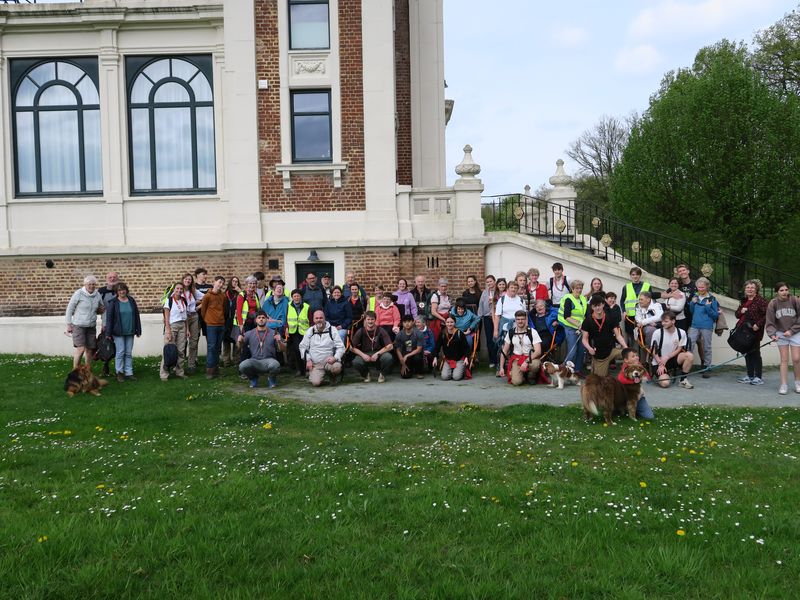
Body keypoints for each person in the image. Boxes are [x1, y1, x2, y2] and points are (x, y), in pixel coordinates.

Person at [765, 282, 800, 395]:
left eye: (786, 290)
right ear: (777, 292)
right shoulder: (773, 303)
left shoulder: (795, 300)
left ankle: (798, 383)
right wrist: (772, 334)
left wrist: (792, 330)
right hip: (781, 334)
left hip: (795, 333)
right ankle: (783, 385)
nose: (784, 292)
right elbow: (770, 322)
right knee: (784, 360)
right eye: (781, 290)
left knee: (796, 359)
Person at [581, 294, 627, 377]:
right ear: (592, 307)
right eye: (595, 306)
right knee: (599, 379)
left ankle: (630, 376)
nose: (597, 308)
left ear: (603, 304)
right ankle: (600, 370)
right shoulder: (588, 321)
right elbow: (584, 339)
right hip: (599, 354)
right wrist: (589, 348)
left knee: (631, 355)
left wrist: (626, 347)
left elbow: (618, 335)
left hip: (612, 350)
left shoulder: (611, 317)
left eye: (599, 305)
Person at [104, 282, 142, 382]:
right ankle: (119, 373)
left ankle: (129, 372)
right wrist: (108, 333)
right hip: (118, 332)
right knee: (120, 352)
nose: (122, 291)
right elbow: (109, 319)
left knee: (128, 353)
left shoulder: (131, 300)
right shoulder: (113, 302)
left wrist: (138, 329)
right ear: (117, 292)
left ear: (126, 290)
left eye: (123, 289)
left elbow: (136, 315)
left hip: (130, 330)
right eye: (119, 290)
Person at [65, 275, 104, 370]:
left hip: (91, 325)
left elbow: (100, 308)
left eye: (93, 284)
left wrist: (101, 310)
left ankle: (88, 370)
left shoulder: (97, 295)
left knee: (89, 349)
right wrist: (69, 324)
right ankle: (75, 370)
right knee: (81, 349)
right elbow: (70, 309)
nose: (91, 286)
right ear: (85, 284)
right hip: (79, 325)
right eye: (89, 284)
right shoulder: (78, 293)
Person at [238, 311, 285, 388]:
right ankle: (253, 378)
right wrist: (239, 341)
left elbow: (284, 349)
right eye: (259, 318)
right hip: (254, 361)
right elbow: (239, 348)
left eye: (263, 318)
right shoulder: (249, 333)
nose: (261, 319)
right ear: (256, 320)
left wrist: (279, 341)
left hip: (269, 360)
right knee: (242, 366)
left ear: (266, 319)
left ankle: (271, 378)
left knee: (276, 365)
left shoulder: (274, 333)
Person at [735, 279, 768, 385]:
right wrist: (741, 311)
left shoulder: (760, 301)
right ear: (745, 289)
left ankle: (758, 377)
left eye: (752, 287)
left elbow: (767, 314)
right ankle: (749, 376)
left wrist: (758, 324)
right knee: (747, 354)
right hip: (744, 331)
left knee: (755, 354)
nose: (750, 289)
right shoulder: (744, 300)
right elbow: (737, 314)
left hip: (754, 331)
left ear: (756, 289)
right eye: (748, 287)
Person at [299, 310, 345, 386]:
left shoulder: (332, 330)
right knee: (316, 383)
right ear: (313, 320)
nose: (319, 320)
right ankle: (318, 376)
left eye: (321, 318)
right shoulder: (310, 331)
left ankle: (332, 376)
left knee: (337, 368)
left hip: (330, 363)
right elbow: (302, 347)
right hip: (316, 364)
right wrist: (308, 359)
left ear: (324, 318)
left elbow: (341, 347)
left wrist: (335, 357)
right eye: (316, 318)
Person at [650, 311, 694, 389]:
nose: (663, 323)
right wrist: (661, 364)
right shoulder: (657, 332)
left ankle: (683, 380)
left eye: (666, 321)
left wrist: (667, 357)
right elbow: (653, 351)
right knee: (665, 383)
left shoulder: (681, 332)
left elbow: (679, 348)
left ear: (673, 321)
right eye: (662, 321)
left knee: (689, 355)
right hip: (658, 360)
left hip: (671, 358)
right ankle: (661, 375)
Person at [498, 310, 542, 385]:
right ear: (515, 320)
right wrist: (501, 368)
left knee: (535, 365)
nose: (520, 321)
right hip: (517, 359)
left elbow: (538, 351)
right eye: (518, 319)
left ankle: (531, 376)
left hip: (530, 358)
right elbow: (504, 351)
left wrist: (526, 362)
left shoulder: (532, 332)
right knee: (516, 382)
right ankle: (522, 375)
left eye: (522, 319)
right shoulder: (511, 332)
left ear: (526, 319)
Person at [687, 277, 719, 378]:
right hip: (694, 325)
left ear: (707, 287)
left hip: (707, 326)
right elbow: (692, 311)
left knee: (707, 347)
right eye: (699, 287)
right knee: (689, 345)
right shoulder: (695, 296)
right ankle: (686, 367)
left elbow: (715, 315)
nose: (700, 289)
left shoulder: (712, 299)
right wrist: (692, 303)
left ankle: (707, 368)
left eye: (702, 287)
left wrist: (708, 307)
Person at [350, 311, 394, 383]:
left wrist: (378, 354)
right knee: (356, 362)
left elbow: (390, 346)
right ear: (365, 320)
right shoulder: (361, 331)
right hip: (365, 353)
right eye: (368, 319)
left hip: (378, 353)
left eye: (372, 319)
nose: (370, 321)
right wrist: (363, 355)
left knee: (388, 357)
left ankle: (382, 374)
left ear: (375, 320)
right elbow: (351, 347)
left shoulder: (380, 330)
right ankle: (366, 374)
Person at [493, 281, 526, 372]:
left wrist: (525, 328)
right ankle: (500, 368)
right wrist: (496, 330)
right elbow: (497, 315)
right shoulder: (502, 299)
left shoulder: (521, 300)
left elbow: (525, 316)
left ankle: (512, 368)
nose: (513, 289)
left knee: (516, 347)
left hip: (518, 327)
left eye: (515, 288)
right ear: (507, 288)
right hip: (504, 327)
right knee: (503, 348)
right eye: (511, 287)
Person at [199, 275, 227, 379]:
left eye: (222, 283)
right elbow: (203, 310)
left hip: (221, 324)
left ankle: (216, 369)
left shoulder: (223, 296)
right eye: (219, 282)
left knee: (218, 348)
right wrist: (208, 319)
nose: (221, 285)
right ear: (214, 282)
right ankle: (210, 371)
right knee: (211, 347)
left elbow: (224, 309)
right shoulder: (207, 296)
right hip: (211, 325)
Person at [558, 279, 587, 375]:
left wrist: (583, 326)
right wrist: (578, 325)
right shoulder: (568, 299)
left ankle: (577, 371)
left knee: (581, 350)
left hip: (581, 328)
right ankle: (566, 371)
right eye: (577, 288)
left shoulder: (583, 299)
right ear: (572, 289)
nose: (579, 290)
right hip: (570, 327)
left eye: (580, 288)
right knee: (572, 350)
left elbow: (585, 314)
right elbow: (567, 316)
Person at [160, 282, 188, 381]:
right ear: (174, 289)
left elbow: (185, 317)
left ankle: (179, 372)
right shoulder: (169, 300)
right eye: (177, 288)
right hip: (172, 326)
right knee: (168, 350)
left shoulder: (184, 300)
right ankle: (164, 374)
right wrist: (168, 330)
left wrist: (187, 329)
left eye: (181, 289)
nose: (179, 290)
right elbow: (166, 317)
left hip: (182, 326)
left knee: (181, 351)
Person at [620, 267, 653, 347]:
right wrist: (624, 311)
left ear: (640, 275)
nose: (635, 276)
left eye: (637, 274)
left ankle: (643, 355)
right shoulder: (626, 287)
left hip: (643, 316)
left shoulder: (647, 286)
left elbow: (651, 301)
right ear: (630, 276)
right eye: (633, 275)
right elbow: (622, 300)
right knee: (631, 336)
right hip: (630, 317)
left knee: (643, 336)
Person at [619, 348, 655, 420]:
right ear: (626, 360)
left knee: (649, 416)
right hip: (626, 396)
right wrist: (635, 382)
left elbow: (647, 377)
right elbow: (621, 379)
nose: (636, 357)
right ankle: (622, 408)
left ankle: (635, 409)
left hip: (639, 396)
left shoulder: (639, 366)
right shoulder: (625, 368)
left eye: (637, 355)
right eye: (633, 356)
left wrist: (643, 378)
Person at [433, 315, 471, 381]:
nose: (449, 324)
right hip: (448, 360)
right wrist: (435, 358)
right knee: (444, 377)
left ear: (455, 323)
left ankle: (460, 369)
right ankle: (453, 370)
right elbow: (437, 347)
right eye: (447, 322)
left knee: (456, 377)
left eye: (451, 322)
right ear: (445, 323)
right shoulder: (442, 334)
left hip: (459, 359)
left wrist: (466, 358)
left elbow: (466, 347)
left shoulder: (459, 333)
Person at [97, 271, 120, 376]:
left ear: (117, 278)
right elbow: (100, 308)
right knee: (107, 346)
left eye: (114, 277)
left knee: (119, 346)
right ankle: (105, 366)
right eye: (110, 277)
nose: (112, 279)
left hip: (120, 323)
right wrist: (103, 323)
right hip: (107, 323)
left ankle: (119, 369)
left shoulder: (122, 290)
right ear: (107, 279)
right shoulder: (101, 291)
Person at [286, 289, 311, 377]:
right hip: (293, 332)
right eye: (294, 296)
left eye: (298, 296)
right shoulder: (288, 305)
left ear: (301, 297)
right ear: (292, 297)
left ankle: (307, 369)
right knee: (296, 350)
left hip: (305, 332)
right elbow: (285, 318)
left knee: (306, 351)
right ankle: (299, 369)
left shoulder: (306, 306)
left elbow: (310, 320)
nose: (296, 298)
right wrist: (286, 328)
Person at [394, 314, 426, 379]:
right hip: (405, 356)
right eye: (405, 322)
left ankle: (419, 372)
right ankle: (410, 369)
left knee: (418, 357)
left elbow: (419, 349)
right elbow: (398, 349)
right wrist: (402, 362)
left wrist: (407, 356)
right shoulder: (399, 335)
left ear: (413, 322)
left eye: (409, 321)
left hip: (415, 355)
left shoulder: (418, 333)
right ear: (402, 323)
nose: (407, 324)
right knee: (405, 376)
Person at [478, 275, 499, 368]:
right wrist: (480, 316)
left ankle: (499, 359)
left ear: (494, 282)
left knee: (498, 338)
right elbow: (481, 305)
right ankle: (492, 360)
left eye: (491, 281)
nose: (489, 283)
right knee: (489, 339)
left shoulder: (498, 292)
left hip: (497, 317)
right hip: (487, 317)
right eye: (488, 282)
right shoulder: (484, 293)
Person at [222, 276, 242, 368]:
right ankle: (226, 361)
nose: (235, 283)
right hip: (226, 321)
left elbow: (245, 299)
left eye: (236, 281)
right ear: (230, 282)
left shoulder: (239, 294)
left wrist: (240, 291)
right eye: (233, 281)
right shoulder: (225, 294)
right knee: (226, 341)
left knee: (235, 340)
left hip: (236, 320)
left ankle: (236, 360)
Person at [235, 276, 261, 341]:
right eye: (250, 283)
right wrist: (241, 325)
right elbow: (238, 312)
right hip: (245, 324)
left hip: (254, 323)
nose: (252, 285)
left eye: (254, 283)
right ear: (246, 284)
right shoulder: (242, 295)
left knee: (253, 342)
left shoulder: (255, 295)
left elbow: (258, 309)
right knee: (245, 343)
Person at [194, 267, 211, 338]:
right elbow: (191, 301)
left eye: (206, 274)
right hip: (196, 315)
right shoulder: (193, 286)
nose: (206, 276)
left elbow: (211, 300)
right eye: (203, 274)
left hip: (207, 315)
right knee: (195, 337)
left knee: (209, 337)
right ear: (197, 275)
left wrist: (200, 303)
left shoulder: (210, 287)